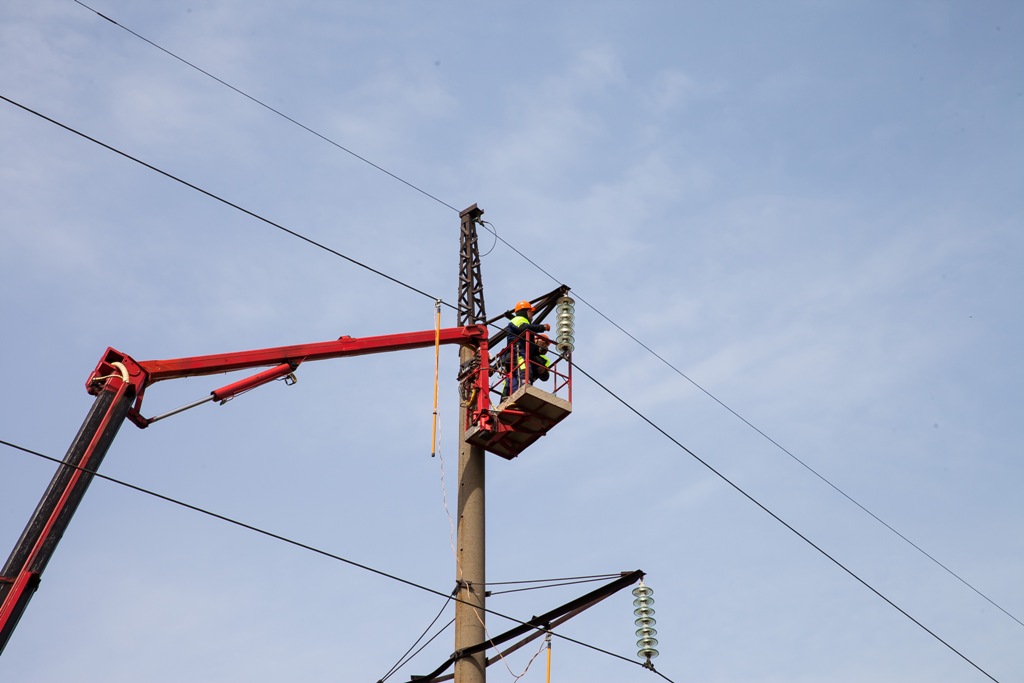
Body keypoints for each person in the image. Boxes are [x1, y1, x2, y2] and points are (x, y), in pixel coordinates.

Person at [503, 300, 550, 397]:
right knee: (524, 372)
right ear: (525, 312)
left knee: (514, 377)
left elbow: (545, 376)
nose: (532, 315)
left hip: (517, 353)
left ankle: (508, 398)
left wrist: (543, 369)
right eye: (531, 312)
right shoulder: (519, 319)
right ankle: (520, 394)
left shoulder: (538, 355)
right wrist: (542, 327)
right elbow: (523, 327)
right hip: (517, 352)